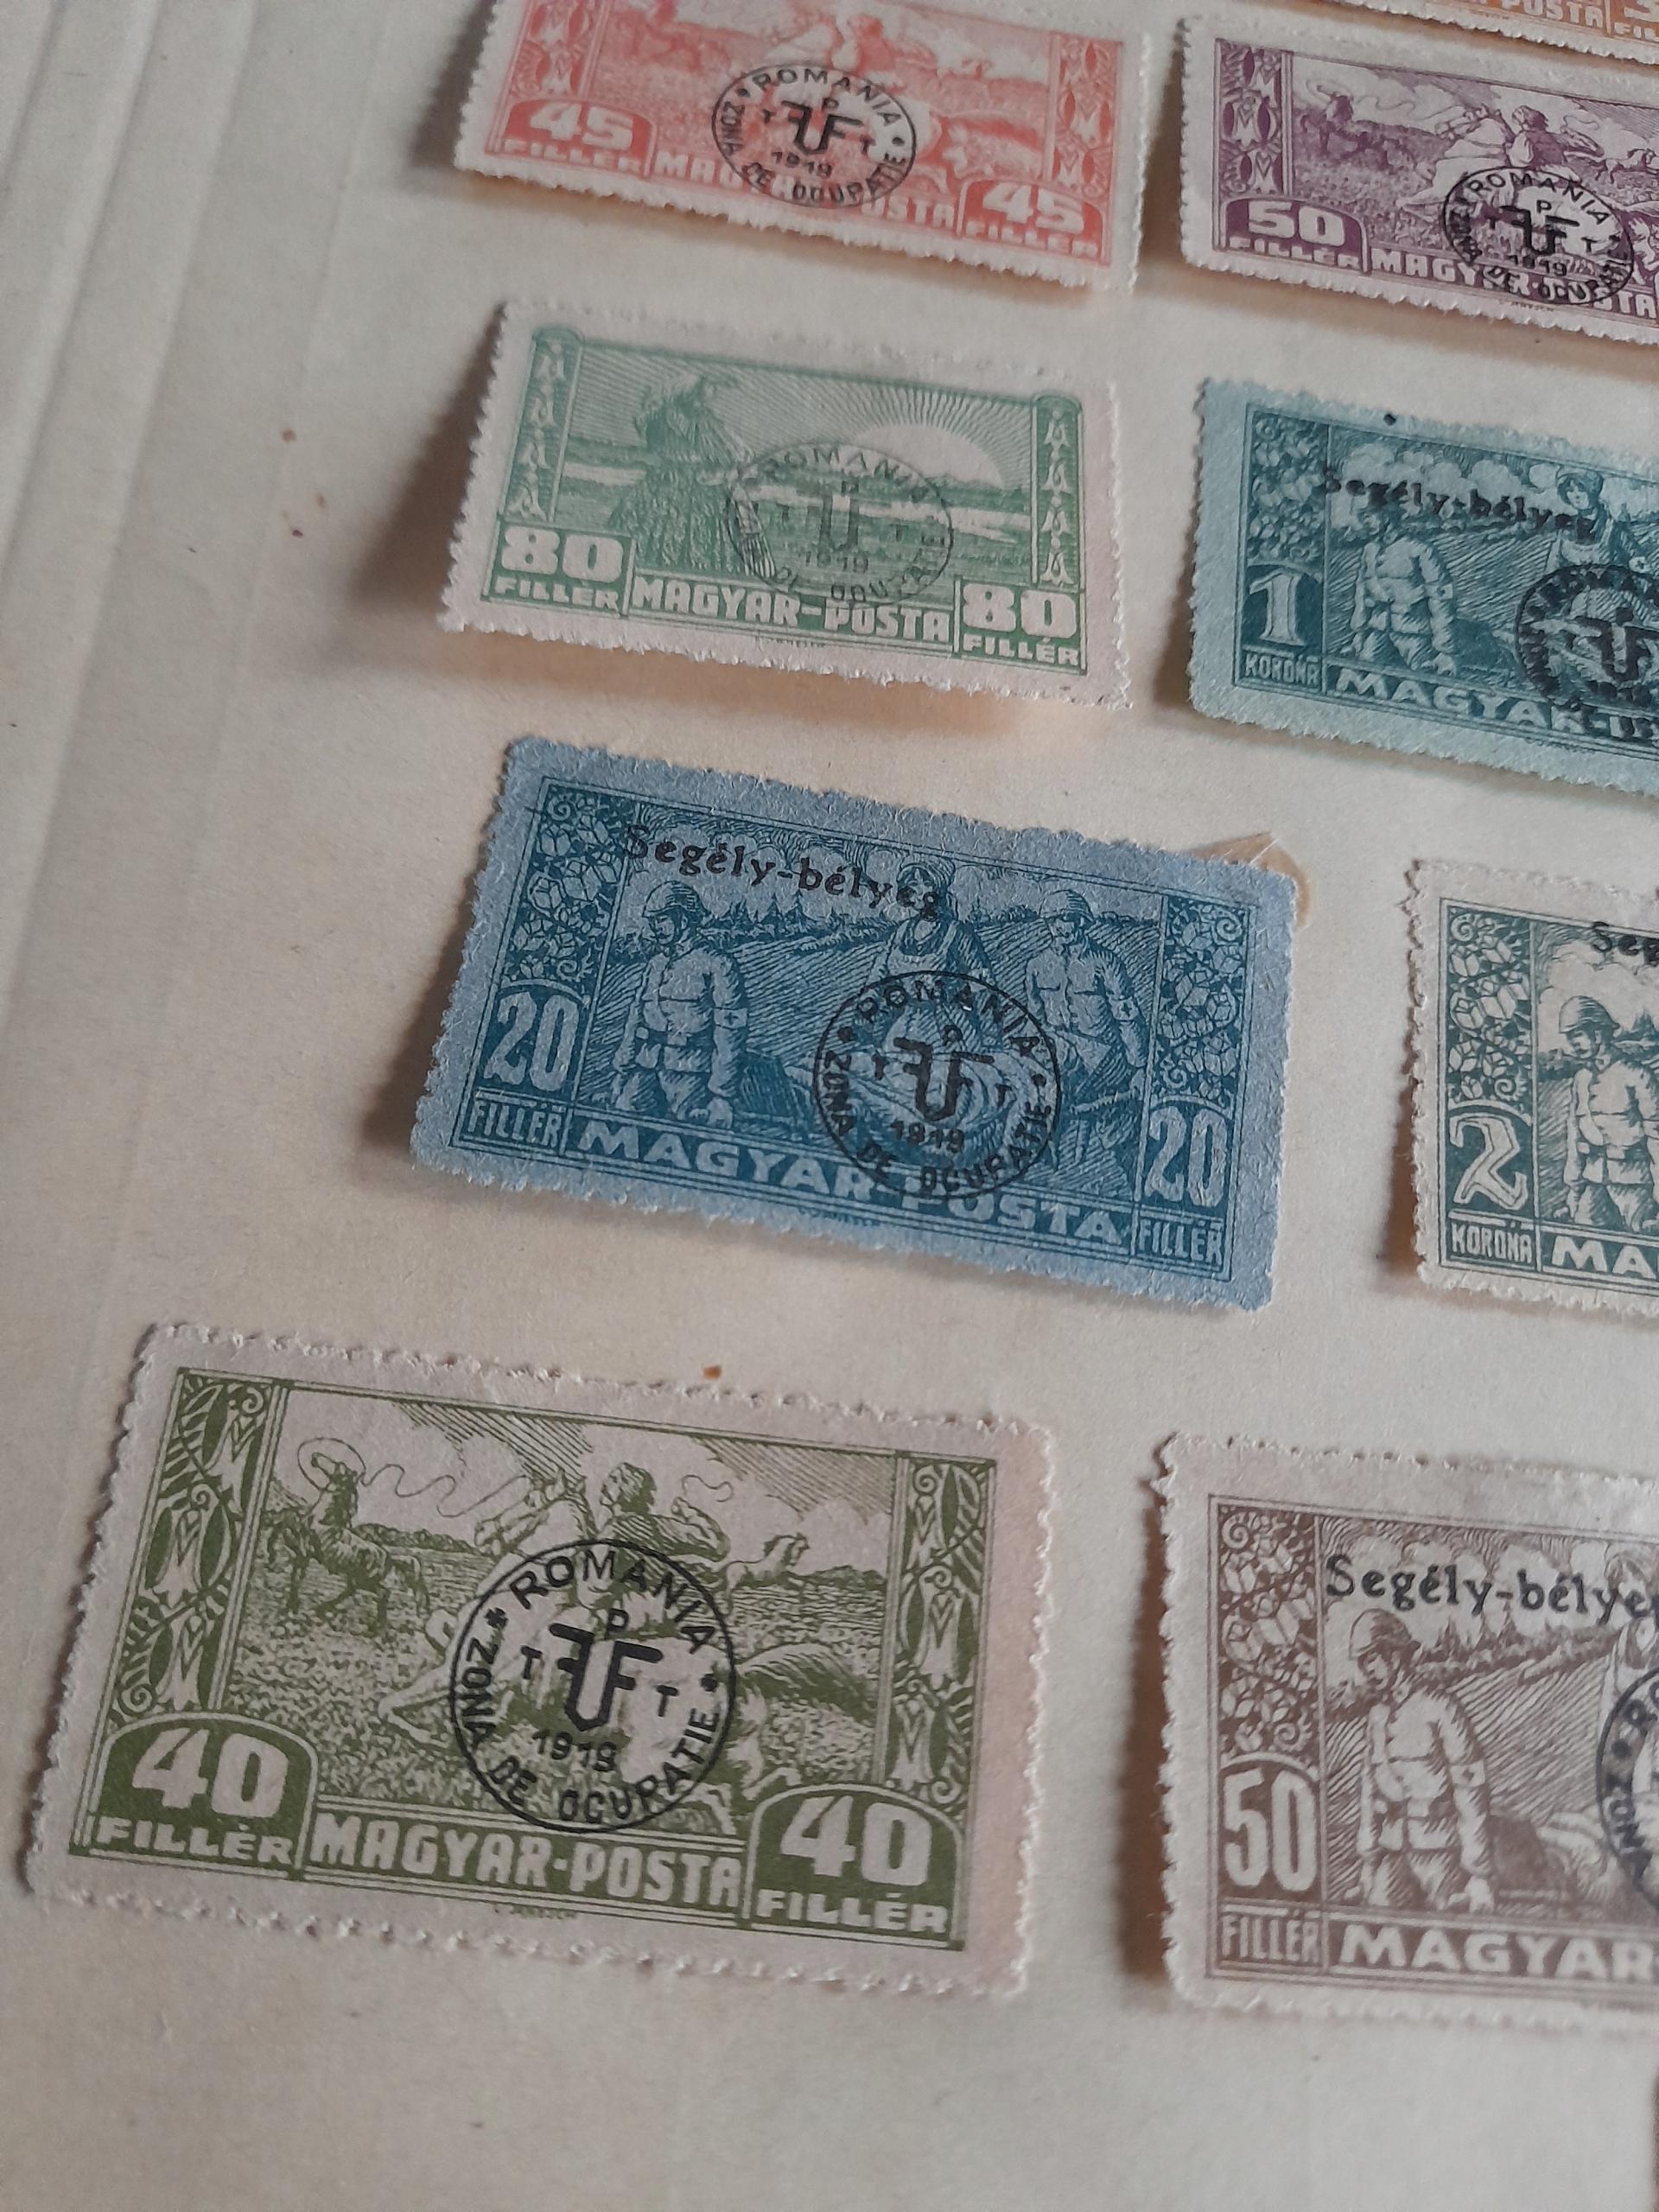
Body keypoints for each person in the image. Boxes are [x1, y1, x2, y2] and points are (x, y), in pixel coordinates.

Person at [1351, 1610, 1496, 1914]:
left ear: (1394, 1655)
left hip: (1441, 1852)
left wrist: (1478, 1874)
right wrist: (1369, 1860)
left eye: (1371, 1658)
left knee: (1442, 1930)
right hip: (1393, 1852)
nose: (1366, 1671)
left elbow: (1471, 1790)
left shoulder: (1441, 1708)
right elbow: (1369, 1792)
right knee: (1377, 1919)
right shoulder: (1376, 1718)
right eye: (1361, 1662)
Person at [1023, 889, 1146, 1184]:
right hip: (1060, 1058)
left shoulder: (1105, 962)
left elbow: (1126, 1015)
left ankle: (1131, 1179)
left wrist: (1139, 1066)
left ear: (1080, 921)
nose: (1059, 926)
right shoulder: (1036, 966)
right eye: (1053, 920)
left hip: (1104, 1061)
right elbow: (1034, 1022)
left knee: (1120, 1132)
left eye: (1066, 918)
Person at [612, 883, 747, 1127]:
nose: (655, 928)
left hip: (692, 1074)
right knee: (623, 1112)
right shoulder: (655, 964)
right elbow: (635, 1018)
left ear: (683, 919)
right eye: (652, 921)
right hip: (646, 1066)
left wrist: (721, 1093)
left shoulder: (718, 965)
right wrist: (622, 1069)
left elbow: (730, 1033)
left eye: (661, 920)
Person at [1559, 995, 1659, 1233]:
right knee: (1583, 1230)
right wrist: (1574, 1188)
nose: (1573, 1044)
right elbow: (1574, 1135)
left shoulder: (1637, 1075)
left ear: (1598, 1033)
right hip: (1594, 1179)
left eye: (1578, 1035)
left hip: (1634, 1182)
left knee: (1640, 1236)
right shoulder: (1581, 1079)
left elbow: (1656, 1136)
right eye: (1569, 1037)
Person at [1350, 505, 1458, 677]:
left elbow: (1441, 599)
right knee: (1363, 671)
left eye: (1370, 515)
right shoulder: (1369, 551)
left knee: (1422, 678)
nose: (1365, 522)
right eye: (1362, 516)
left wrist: (1444, 648)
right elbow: (1361, 592)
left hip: (1414, 633)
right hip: (1378, 630)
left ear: (1388, 514)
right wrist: (1359, 631)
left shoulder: (1420, 549)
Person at [865, 857, 992, 984]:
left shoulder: (957, 932)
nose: (920, 891)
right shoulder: (902, 931)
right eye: (914, 884)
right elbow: (878, 973)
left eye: (927, 884)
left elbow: (981, 976)